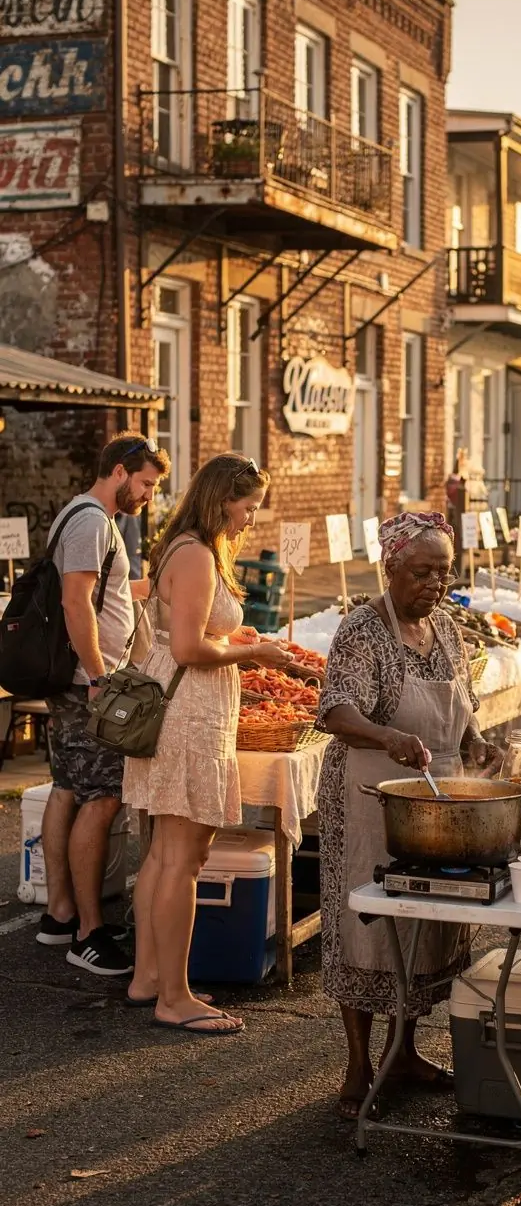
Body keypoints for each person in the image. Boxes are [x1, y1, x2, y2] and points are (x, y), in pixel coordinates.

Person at [317, 511, 496, 1120]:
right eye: (421, 572)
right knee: (368, 927)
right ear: (389, 567)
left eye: (443, 572)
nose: (434, 584)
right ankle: (359, 1065)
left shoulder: (446, 629)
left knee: (424, 923)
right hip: (371, 797)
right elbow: (336, 712)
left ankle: (405, 1051)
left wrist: (478, 744)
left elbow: (463, 710)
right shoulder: (361, 630)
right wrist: (386, 736)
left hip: (436, 799)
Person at [123, 455, 295, 1036]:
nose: (250, 519)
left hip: (183, 709)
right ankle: (175, 997)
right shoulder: (196, 552)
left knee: (164, 855)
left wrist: (234, 634)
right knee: (184, 860)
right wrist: (255, 652)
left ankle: (149, 978)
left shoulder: (185, 546)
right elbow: (189, 649)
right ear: (222, 499)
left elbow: (189, 630)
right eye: (248, 507)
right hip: (189, 715)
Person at [38, 433, 169, 976]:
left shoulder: (87, 517)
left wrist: (140, 589)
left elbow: (97, 592)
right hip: (86, 683)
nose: (149, 495)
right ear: (118, 471)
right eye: (145, 483)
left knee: (68, 788)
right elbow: (75, 600)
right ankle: (89, 934)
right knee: (103, 797)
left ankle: (59, 914)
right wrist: (98, 676)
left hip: (76, 681)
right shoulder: (92, 521)